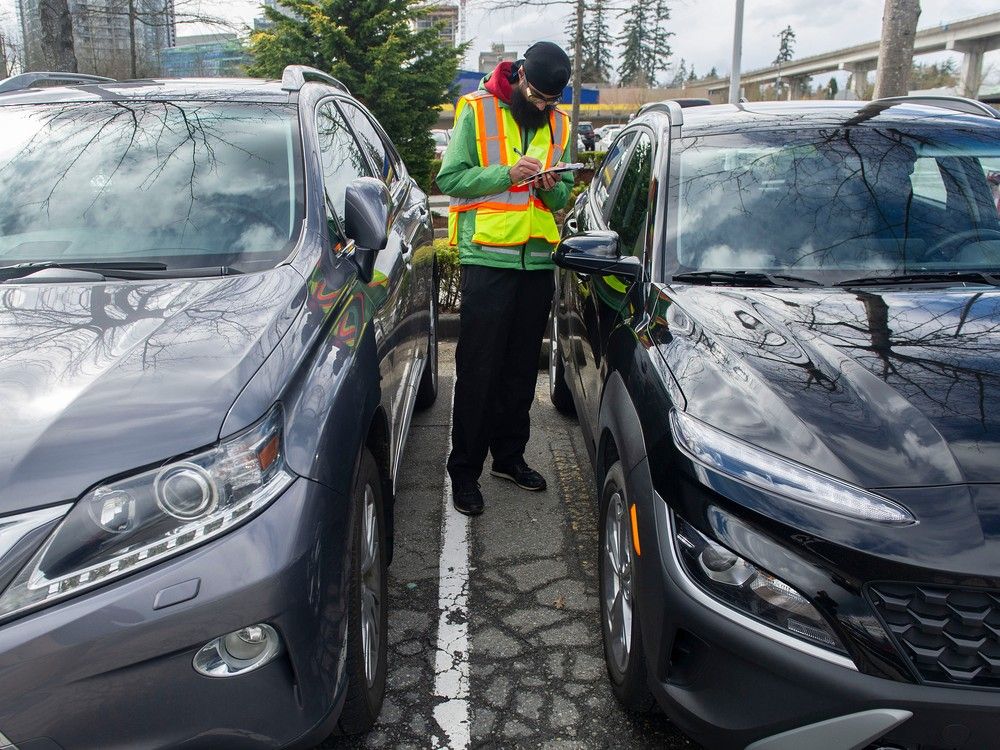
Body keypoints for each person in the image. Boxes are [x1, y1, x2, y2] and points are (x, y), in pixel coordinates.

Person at [436, 41, 574, 515]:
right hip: (487, 259)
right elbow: (450, 179)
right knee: (478, 371)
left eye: (550, 100)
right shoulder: (476, 109)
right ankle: (465, 471)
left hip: (536, 261)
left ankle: (508, 458)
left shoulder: (561, 123)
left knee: (519, 372)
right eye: (536, 96)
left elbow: (563, 198)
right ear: (518, 77)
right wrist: (507, 174)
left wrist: (552, 188)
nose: (542, 106)